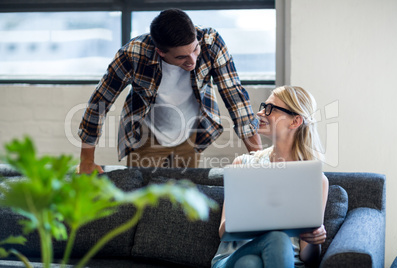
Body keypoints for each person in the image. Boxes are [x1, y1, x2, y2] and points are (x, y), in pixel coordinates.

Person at [77, 8, 262, 174]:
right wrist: (86, 160)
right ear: (161, 52)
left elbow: (235, 97)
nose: (192, 61)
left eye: (195, 50)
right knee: (145, 202)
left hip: (190, 134)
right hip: (147, 136)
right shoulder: (133, 55)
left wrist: (258, 158)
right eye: (181, 57)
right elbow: (99, 103)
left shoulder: (211, 42)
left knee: (184, 203)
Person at [211, 86, 329, 268]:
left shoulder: (315, 181)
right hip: (232, 258)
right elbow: (223, 232)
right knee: (275, 239)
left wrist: (314, 239)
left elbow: (309, 259)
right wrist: (247, 216)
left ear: (295, 121)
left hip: (287, 262)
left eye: (270, 108)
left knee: (250, 264)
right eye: (263, 106)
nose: (260, 113)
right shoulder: (243, 166)